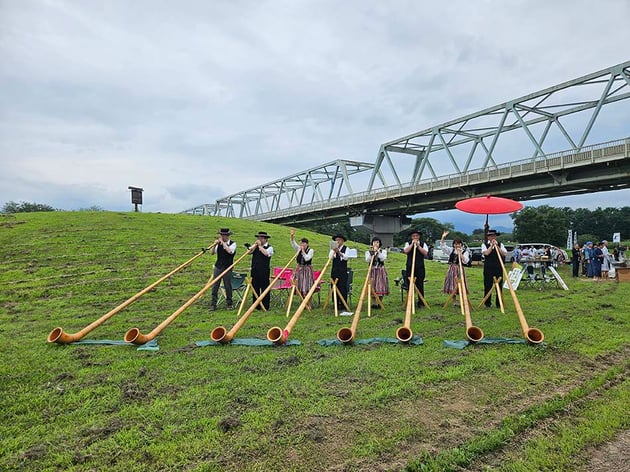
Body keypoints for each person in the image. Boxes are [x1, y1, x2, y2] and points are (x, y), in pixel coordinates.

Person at [209, 228, 237, 311]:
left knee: (227, 285)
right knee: (215, 285)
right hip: (218, 266)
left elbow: (230, 251)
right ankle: (213, 304)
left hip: (227, 267)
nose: (222, 237)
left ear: (228, 236)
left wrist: (223, 243)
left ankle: (229, 303)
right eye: (221, 235)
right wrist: (214, 245)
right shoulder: (218, 244)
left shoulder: (233, 244)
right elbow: (212, 253)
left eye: (224, 235)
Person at [439, 230, 470, 306]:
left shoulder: (465, 251)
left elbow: (466, 261)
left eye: (458, 244)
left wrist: (460, 254)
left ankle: (463, 299)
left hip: (460, 269)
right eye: (455, 244)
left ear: (461, 244)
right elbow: (443, 247)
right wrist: (443, 237)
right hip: (452, 269)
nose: (456, 245)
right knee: (452, 284)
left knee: (461, 283)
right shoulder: (451, 250)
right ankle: (454, 300)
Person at [247, 231, 274, 310]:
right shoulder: (256, 247)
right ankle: (256, 305)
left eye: (261, 238)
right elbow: (249, 252)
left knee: (265, 287)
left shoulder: (270, 247)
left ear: (266, 239)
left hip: (264, 271)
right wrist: (253, 247)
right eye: (258, 238)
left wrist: (259, 246)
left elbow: (266, 253)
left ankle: (265, 305)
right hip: (255, 270)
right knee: (255, 287)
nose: (260, 239)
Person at [403, 229, 429, 307]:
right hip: (410, 266)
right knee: (409, 283)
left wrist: (418, 246)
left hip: (420, 267)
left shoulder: (423, 244)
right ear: (411, 237)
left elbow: (425, 253)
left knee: (420, 284)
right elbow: (406, 251)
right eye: (413, 236)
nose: (415, 237)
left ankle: (421, 302)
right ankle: (410, 301)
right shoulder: (408, 243)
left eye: (416, 236)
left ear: (419, 236)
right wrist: (412, 245)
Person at [482, 229, 507, 308]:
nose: (492, 237)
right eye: (491, 236)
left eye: (494, 236)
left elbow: (504, 254)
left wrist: (497, 247)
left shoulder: (500, 244)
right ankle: (487, 303)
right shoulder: (484, 245)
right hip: (488, 268)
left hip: (498, 267)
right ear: (488, 237)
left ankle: (499, 303)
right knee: (488, 285)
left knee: (499, 286)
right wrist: (492, 246)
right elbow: (486, 253)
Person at [290, 228, 314, 297]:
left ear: (307, 244)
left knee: (306, 285)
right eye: (301, 243)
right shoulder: (299, 248)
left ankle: (308, 300)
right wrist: (292, 236)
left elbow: (307, 258)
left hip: (307, 270)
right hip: (299, 268)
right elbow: (293, 244)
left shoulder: (311, 250)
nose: (301, 244)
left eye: (303, 243)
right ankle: (301, 298)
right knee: (299, 284)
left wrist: (303, 251)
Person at [365, 237, 389, 308]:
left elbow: (383, 258)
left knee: (381, 286)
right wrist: (372, 253)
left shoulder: (383, 251)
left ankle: (379, 303)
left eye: (377, 242)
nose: (376, 243)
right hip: (372, 270)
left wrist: (378, 252)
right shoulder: (368, 252)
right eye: (374, 242)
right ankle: (373, 303)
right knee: (372, 286)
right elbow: (367, 260)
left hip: (380, 270)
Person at [329, 234, 350, 309]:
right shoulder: (332, 248)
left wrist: (339, 252)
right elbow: (330, 257)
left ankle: (343, 304)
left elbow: (346, 258)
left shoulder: (346, 248)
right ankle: (336, 303)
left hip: (342, 271)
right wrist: (334, 251)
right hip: (334, 270)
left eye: (339, 240)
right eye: (336, 240)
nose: (337, 241)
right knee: (334, 286)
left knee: (342, 287)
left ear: (342, 241)